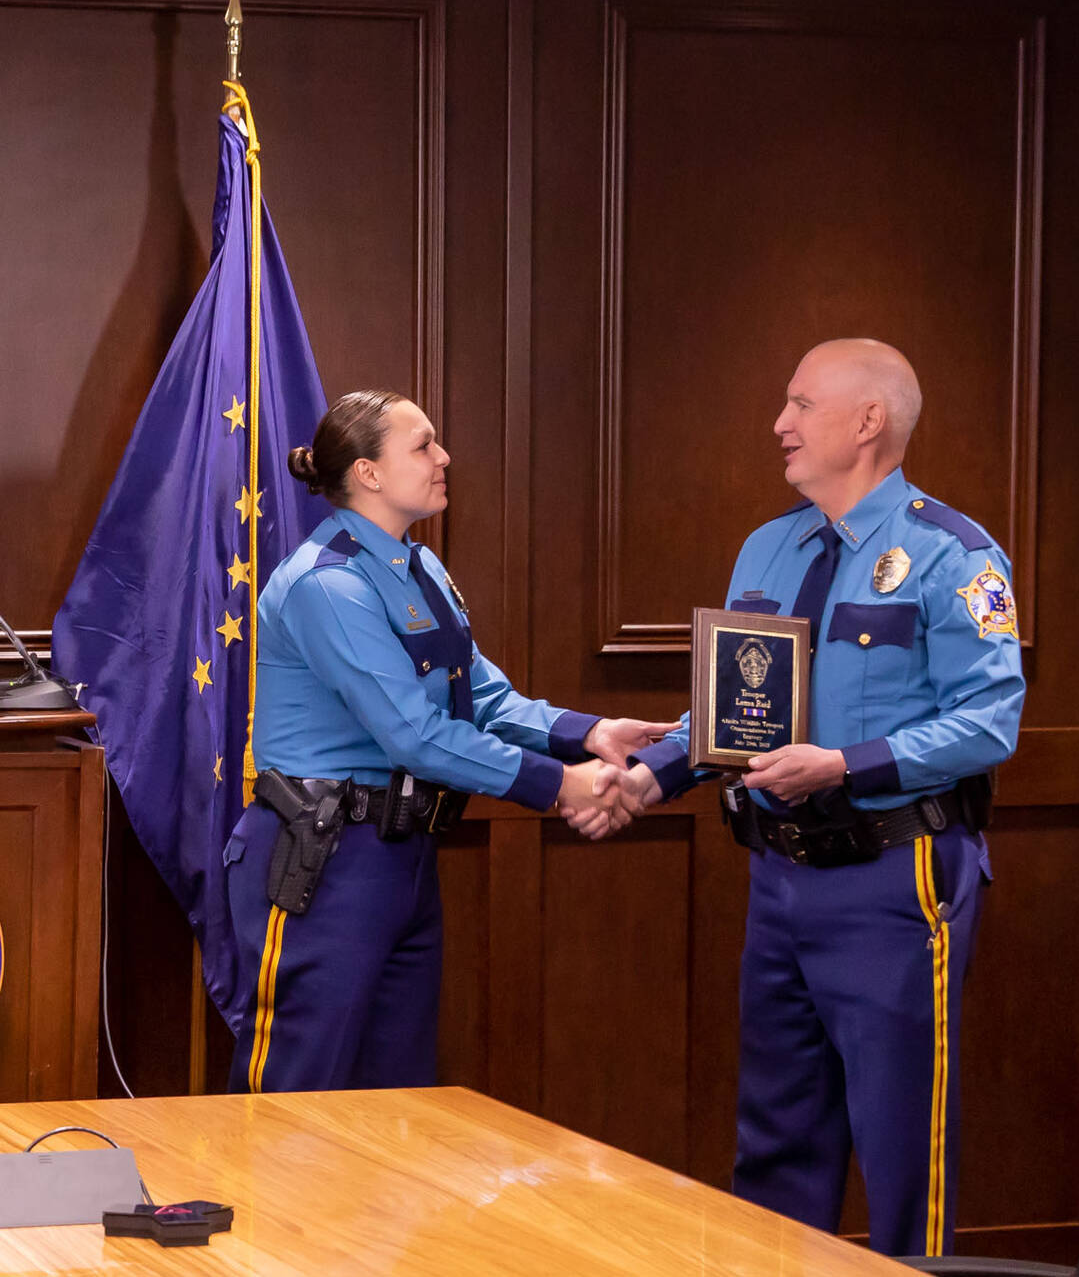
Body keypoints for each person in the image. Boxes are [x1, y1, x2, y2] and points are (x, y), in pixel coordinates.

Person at [599, 338, 1024, 1258]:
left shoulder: (955, 556)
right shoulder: (768, 547)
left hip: (894, 882)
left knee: (905, 1148)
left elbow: (989, 723)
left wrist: (843, 765)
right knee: (778, 1138)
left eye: (800, 404)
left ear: (867, 421)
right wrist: (648, 776)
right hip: (780, 881)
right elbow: (729, 712)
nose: (779, 425)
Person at [227, 388, 676, 1093]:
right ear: (369, 474)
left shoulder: (419, 567)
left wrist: (589, 734)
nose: (444, 458)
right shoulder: (327, 583)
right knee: (298, 1093)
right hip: (324, 861)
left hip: (402, 857)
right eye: (424, 445)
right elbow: (414, 735)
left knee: (396, 1096)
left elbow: (482, 697)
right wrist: (561, 785)